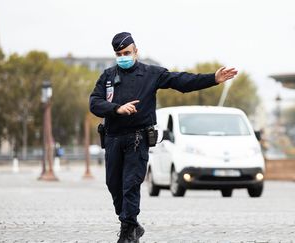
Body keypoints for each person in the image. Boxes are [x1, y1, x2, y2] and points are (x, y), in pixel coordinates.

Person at [89, 32, 237, 243]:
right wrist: (117, 109)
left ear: (136, 51)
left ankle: (127, 233)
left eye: (127, 52)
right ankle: (132, 224)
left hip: (137, 139)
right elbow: (94, 102)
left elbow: (183, 81)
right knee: (114, 185)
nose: (123, 56)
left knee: (131, 184)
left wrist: (213, 78)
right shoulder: (108, 76)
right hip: (113, 139)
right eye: (119, 53)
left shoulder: (151, 73)